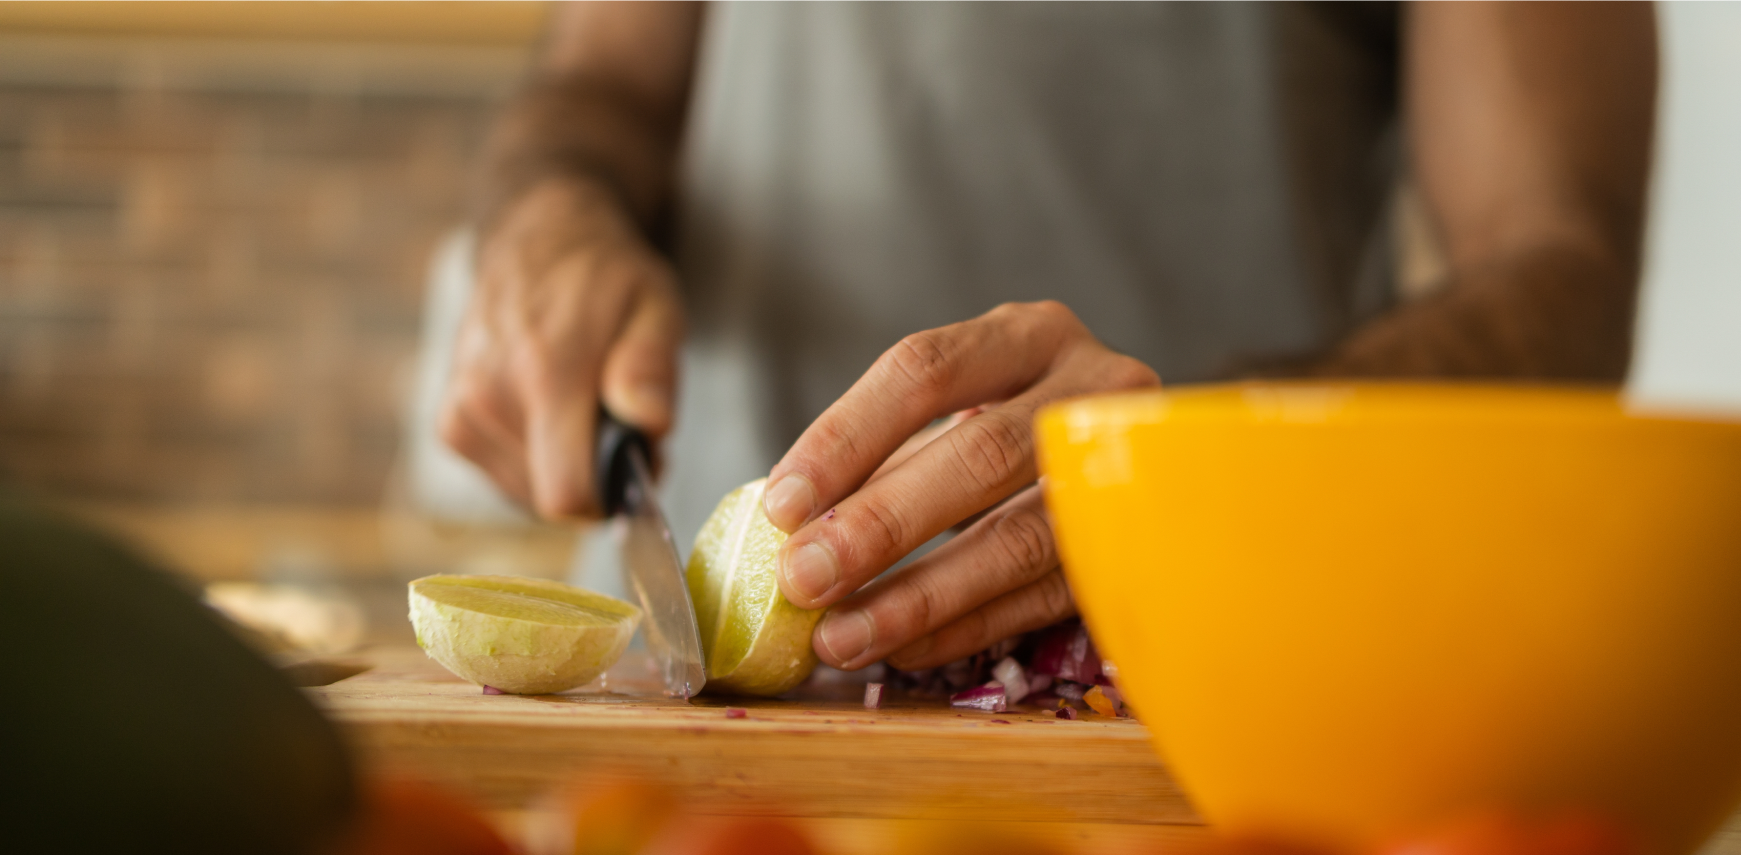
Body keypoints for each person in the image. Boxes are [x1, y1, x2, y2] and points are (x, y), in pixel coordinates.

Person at [434, 0, 1656, 674]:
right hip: (679, 689)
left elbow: (1558, 263)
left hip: (1179, 679)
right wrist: (547, 221)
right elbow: (603, 81)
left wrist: (1187, 452)